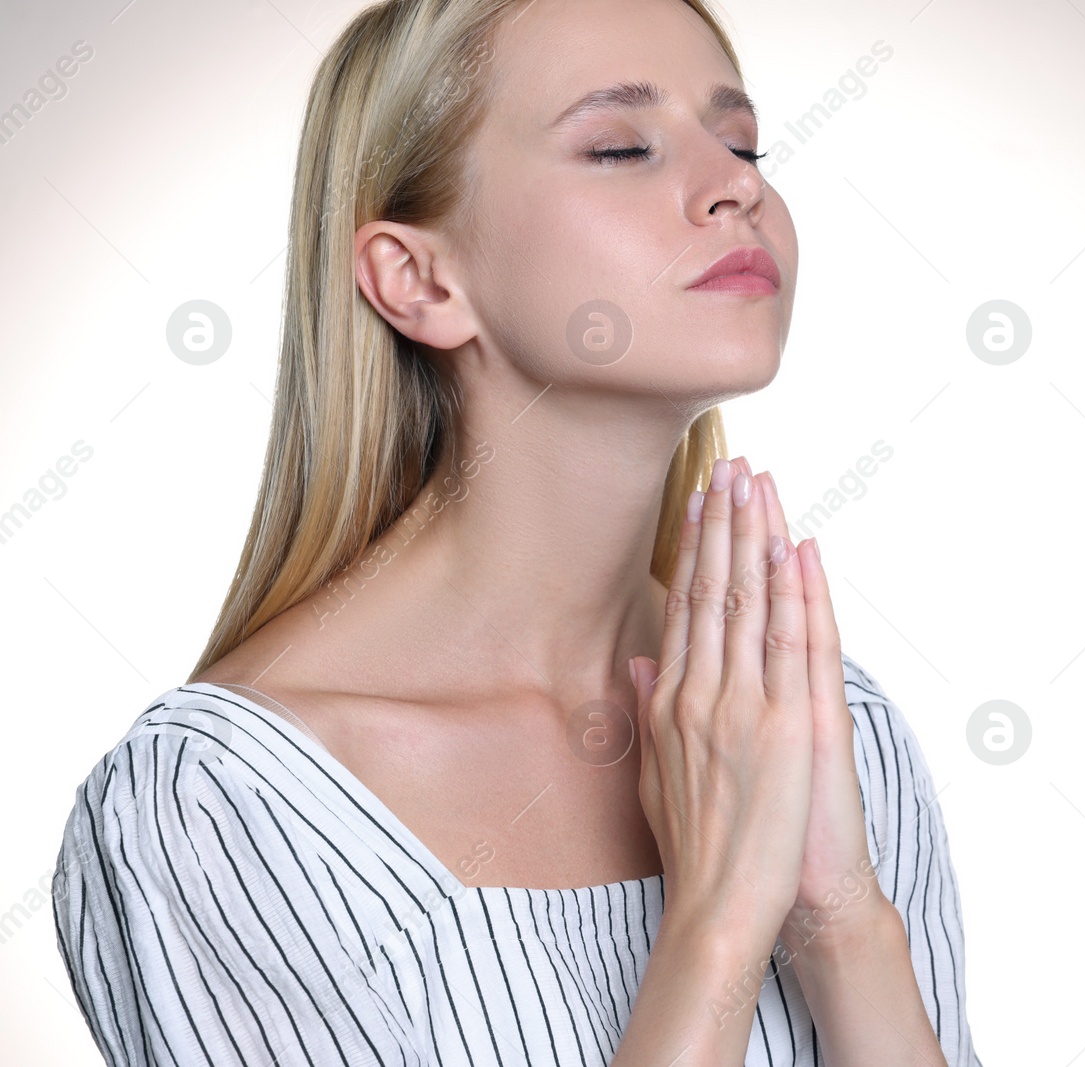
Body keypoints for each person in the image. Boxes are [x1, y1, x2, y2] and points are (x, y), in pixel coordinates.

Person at [51, 0, 979, 1063]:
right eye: (620, 146)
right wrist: (716, 931)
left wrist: (846, 925)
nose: (739, 185)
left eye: (741, 139)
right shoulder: (220, 808)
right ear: (420, 278)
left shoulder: (818, 721)